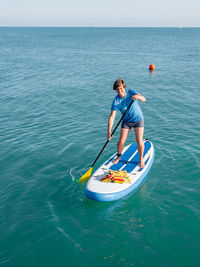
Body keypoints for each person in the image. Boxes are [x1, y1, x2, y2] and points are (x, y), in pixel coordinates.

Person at [107, 78, 146, 168]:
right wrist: (109, 131)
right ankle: (119, 156)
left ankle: (141, 159)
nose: (120, 91)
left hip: (138, 120)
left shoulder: (131, 92)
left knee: (139, 141)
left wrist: (138, 97)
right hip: (126, 121)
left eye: (121, 88)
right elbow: (112, 117)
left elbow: (144, 99)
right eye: (117, 89)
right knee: (121, 141)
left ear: (124, 87)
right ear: (115, 90)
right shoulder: (116, 101)